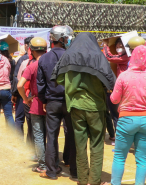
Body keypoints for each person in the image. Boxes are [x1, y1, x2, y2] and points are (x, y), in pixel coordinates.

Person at [51, 33, 116, 185]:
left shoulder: (68, 55)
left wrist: (72, 85)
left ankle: (82, 178)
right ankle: (94, 180)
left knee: (80, 144)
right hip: (95, 107)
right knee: (97, 144)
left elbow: (58, 78)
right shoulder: (99, 57)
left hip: (75, 106)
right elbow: (111, 82)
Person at [104, 45, 146, 185]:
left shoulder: (124, 76)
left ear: (133, 57)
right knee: (142, 159)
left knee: (119, 157)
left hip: (126, 120)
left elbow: (114, 99)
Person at [37, 26, 77, 181]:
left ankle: (52, 171)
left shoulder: (44, 58)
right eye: (66, 38)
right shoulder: (71, 56)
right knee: (72, 136)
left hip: (52, 102)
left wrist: (44, 101)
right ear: (61, 38)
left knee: (51, 136)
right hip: (69, 102)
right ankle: (74, 171)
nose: (68, 41)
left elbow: (40, 84)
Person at [17, 37, 48, 173]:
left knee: (39, 136)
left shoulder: (32, 66)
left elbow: (19, 85)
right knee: (50, 135)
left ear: (32, 51)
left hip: (35, 104)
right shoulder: (52, 64)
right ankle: (53, 162)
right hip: (50, 104)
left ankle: (42, 165)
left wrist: (26, 98)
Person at [103, 38, 128, 144]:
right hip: (121, 87)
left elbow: (109, 57)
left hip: (125, 89)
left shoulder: (125, 56)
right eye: (117, 46)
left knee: (120, 115)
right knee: (117, 114)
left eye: (120, 46)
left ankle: (122, 140)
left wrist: (105, 46)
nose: (118, 48)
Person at [12, 35, 34, 137]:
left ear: (26, 46)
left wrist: (14, 94)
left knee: (19, 119)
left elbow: (16, 78)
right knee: (32, 122)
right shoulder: (41, 59)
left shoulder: (22, 59)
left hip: (22, 94)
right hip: (34, 95)